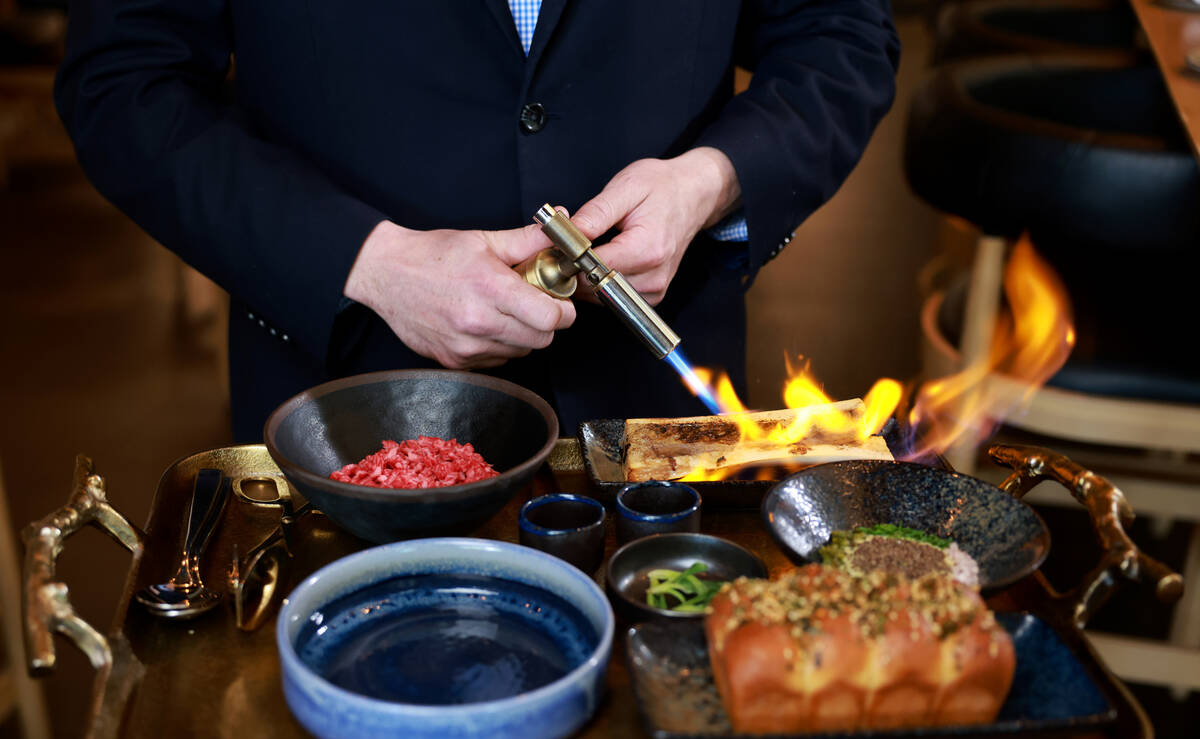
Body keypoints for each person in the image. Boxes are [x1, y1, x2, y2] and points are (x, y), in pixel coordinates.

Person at [54, 1, 900, 443]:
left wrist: (712, 182)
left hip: (654, 414)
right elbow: (127, 83)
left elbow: (839, 32)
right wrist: (365, 262)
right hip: (349, 412)